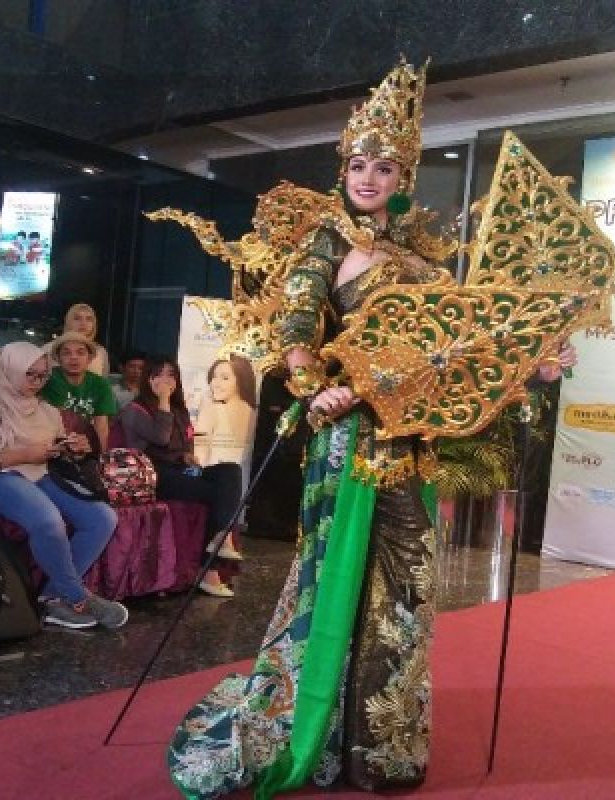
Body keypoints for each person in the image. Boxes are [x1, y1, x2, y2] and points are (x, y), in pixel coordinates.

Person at [167, 59, 455, 797]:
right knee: (341, 578)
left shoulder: (426, 259)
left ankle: (385, 741)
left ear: (404, 177)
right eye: (358, 163)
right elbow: (297, 324)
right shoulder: (324, 242)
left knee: (408, 585)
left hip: (412, 440)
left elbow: (459, 342)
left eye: (383, 167)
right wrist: (316, 386)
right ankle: (320, 731)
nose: (367, 176)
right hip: (350, 437)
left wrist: (540, 361)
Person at [0, 341, 127, 630]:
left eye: (43, 376)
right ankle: (77, 596)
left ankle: (53, 599)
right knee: (46, 518)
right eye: (30, 375)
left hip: (35, 472)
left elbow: (50, 448)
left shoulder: (43, 407)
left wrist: (71, 447)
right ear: (10, 370)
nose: (37, 383)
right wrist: (22, 455)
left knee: (102, 518)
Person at [119, 357, 242, 597]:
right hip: (150, 474)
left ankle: (218, 540)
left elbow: (184, 442)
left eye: (171, 375)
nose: (165, 381)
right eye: (159, 375)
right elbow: (162, 437)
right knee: (214, 494)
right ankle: (210, 568)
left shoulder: (179, 410)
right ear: (148, 379)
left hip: (177, 469)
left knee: (230, 471)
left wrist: (187, 455)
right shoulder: (134, 410)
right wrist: (163, 399)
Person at [39, 331, 117, 452]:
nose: (74, 357)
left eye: (80, 352)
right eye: (66, 353)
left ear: (90, 358)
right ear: (58, 358)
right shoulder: (48, 379)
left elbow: (101, 426)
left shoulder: (100, 384)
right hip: (51, 444)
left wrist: (101, 458)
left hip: (86, 446)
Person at [194, 355, 258, 469]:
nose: (215, 384)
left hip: (213, 480)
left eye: (225, 378)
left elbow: (199, 458)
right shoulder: (254, 414)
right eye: (214, 377)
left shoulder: (211, 410)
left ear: (240, 381)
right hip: (241, 482)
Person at [55, 303, 109, 376]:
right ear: (68, 321)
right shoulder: (52, 348)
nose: (83, 323)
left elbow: (104, 381)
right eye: (77, 318)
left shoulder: (100, 351)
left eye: (89, 319)